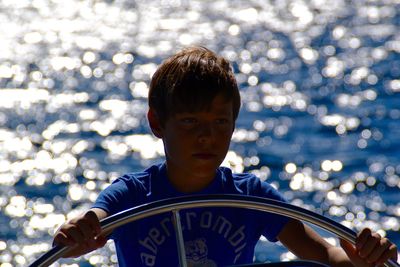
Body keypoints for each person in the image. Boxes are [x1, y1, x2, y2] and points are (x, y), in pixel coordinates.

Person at [53, 46, 398, 267]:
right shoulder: (129, 195)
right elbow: (79, 236)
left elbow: (323, 253)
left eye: (220, 122)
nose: (207, 136)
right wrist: (76, 233)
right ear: (157, 123)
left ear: (234, 126)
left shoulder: (251, 197)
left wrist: (359, 260)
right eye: (190, 122)